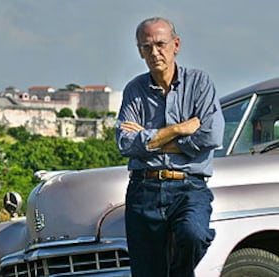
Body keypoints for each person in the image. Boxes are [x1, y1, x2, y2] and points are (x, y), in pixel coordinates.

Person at [115, 17, 225, 277]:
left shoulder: (199, 83)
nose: (154, 52)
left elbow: (212, 136)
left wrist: (151, 140)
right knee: (146, 272)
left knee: (194, 234)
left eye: (160, 44)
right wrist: (177, 130)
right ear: (140, 51)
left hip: (189, 186)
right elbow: (125, 143)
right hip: (144, 189)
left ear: (176, 45)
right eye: (146, 47)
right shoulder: (135, 90)